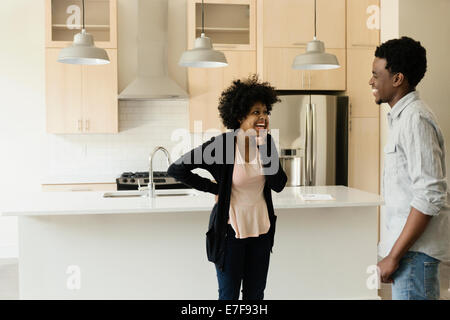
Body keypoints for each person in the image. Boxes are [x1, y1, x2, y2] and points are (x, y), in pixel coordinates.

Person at [168, 75, 287, 300]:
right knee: (229, 296)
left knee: (255, 295)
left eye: (265, 112)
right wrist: (216, 189)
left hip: (261, 230)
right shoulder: (222, 146)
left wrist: (263, 147)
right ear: (240, 115)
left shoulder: (267, 143)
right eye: (256, 112)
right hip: (230, 232)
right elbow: (177, 169)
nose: (263, 117)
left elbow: (278, 184)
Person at [370, 36, 448, 300]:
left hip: (414, 254)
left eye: (375, 74)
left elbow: (430, 195)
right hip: (409, 253)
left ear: (397, 79)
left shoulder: (415, 119)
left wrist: (393, 256)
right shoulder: (401, 119)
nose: (371, 81)